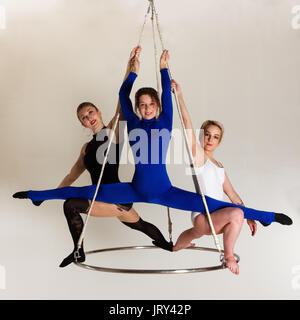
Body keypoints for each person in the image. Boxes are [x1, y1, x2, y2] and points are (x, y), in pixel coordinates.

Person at [13, 47, 292, 248]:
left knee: (212, 205)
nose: (146, 108)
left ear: (157, 106)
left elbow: (166, 92)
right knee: (78, 192)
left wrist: (162, 66)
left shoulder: (165, 121)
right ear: (138, 108)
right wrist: (133, 70)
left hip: (164, 191)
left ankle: (266, 217)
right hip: (132, 189)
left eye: (151, 104)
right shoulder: (131, 123)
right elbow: (122, 94)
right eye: (142, 104)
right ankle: (37, 195)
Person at [15, 46, 173, 268]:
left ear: (98, 112)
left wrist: (130, 69)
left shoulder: (113, 132)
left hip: (115, 196)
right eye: (83, 117)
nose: (88, 117)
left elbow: (121, 102)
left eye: (90, 112)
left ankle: (80, 251)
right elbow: (71, 176)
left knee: (75, 206)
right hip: (99, 196)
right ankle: (166, 244)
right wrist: (55, 193)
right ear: (81, 123)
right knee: (139, 225)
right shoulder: (86, 148)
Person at [170, 81, 262, 274]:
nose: (210, 140)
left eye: (215, 137)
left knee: (198, 232)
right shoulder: (198, 157)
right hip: (203, 216)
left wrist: (250, 216)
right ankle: (228, 256)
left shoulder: (219, 166)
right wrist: (179, 96)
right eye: (207, 135)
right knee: (235, 214)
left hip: (217, 217)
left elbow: (233, 196)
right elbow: (187, 124)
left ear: (219, 141)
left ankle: (178, 245)